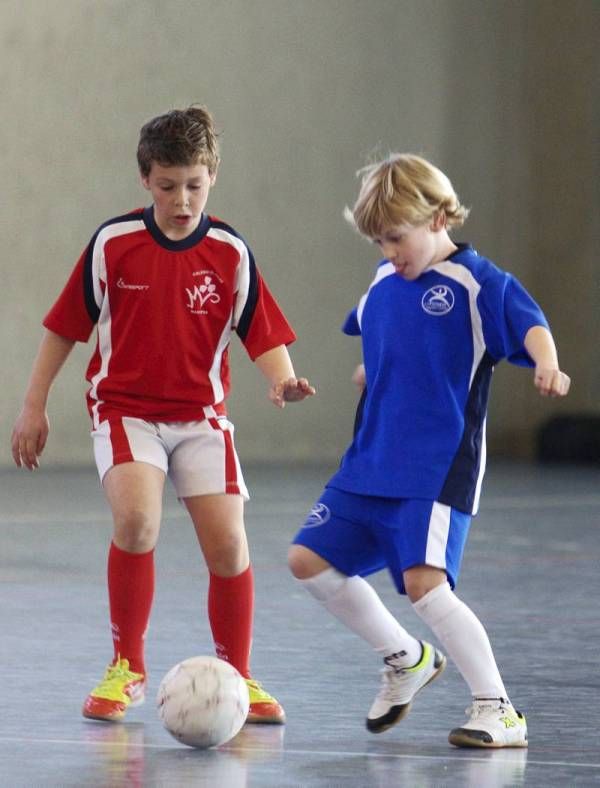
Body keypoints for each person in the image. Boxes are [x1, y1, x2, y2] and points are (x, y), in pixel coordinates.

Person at [11, 106, 315, 725]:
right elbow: (64, 329)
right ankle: (128, 665)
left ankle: (240, 672)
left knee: (230, 545)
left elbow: (259, 332)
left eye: (195, 185)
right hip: (126, 411)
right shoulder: (113, 244)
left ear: (213, 178)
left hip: (201, 416)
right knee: (137, 521)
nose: (182, 200)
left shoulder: (230, 252)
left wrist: (282, 382)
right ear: (146, 180)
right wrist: (32, 404)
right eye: (169, 185)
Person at [288, 153, 570, 748]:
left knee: (425, 583)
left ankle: (499, 708)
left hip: (435, 466)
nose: (389, 251)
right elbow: (390, 339)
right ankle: (406, 658)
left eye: (396, 236)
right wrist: (373, 371)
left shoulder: (476, 282)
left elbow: (529, 321)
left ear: (439, 217)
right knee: (308, 562)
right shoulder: (385, 281)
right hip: (370, 459)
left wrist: (545, 361)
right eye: (379, 241)